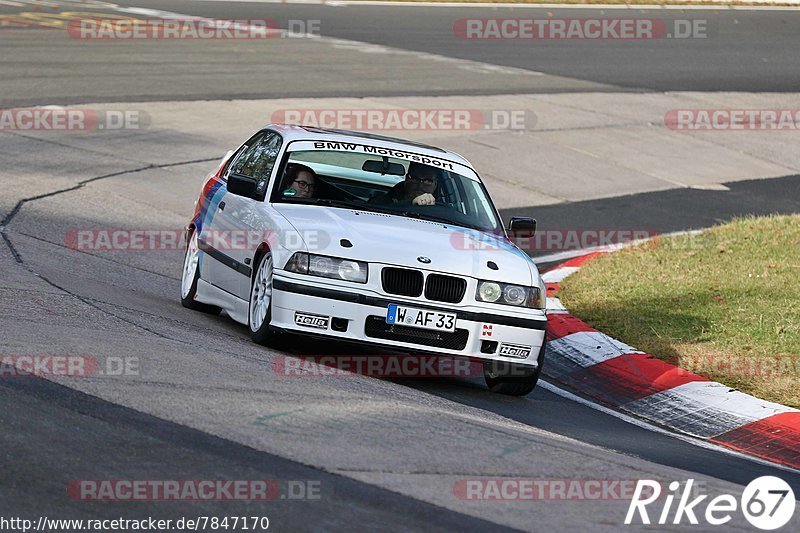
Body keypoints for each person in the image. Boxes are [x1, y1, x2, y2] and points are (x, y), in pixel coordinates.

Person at [376, 162, 440, 206]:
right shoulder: (384, 202)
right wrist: (410, 203)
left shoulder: (442, 209)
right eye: (414, 179)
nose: (420, 185)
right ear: (407, 179)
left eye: (427, 181)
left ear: (435, 184)